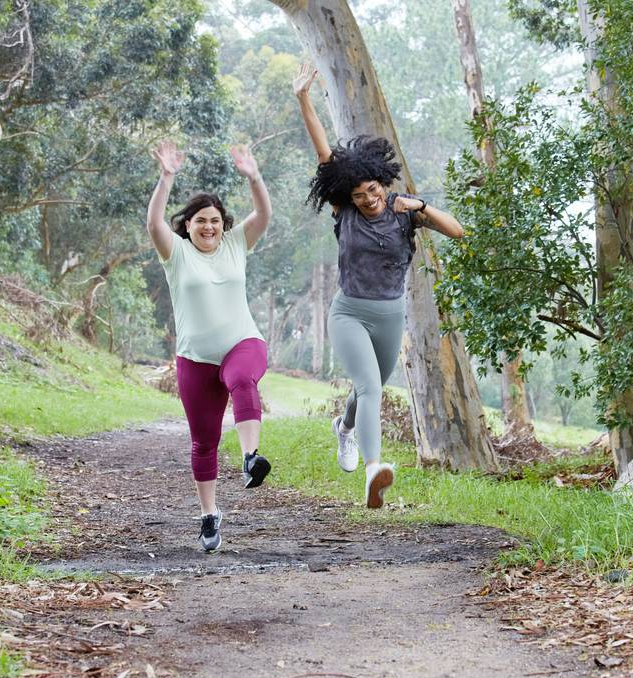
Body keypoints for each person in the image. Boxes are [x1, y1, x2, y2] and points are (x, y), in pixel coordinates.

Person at [293, 62, 465, 508]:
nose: (367, 200)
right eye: (358, 195)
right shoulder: (344, 212)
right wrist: (303, 99)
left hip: (390, 314)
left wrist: (422, 204)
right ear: (347, 198)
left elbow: (457, 231)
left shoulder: (404, 209)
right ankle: (374, 469)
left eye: (372, 191)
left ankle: (344, 428)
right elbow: (324, 156)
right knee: (370, 387)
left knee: (368, 389)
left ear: (381, 184)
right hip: (350, 311)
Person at [146, 140, 272, 552]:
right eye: (201, 220)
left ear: (223, 224)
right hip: (194, 359)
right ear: (189, 225)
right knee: (204, 441)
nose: (209, 227)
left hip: (242, 343)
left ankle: (251, 457)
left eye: (215, 221)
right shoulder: (177, 253)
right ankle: (209, 515)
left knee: (242, 379)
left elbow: (264, 215)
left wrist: (254, 177)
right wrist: (166, 178)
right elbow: (154, 225)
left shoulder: (236, 244)